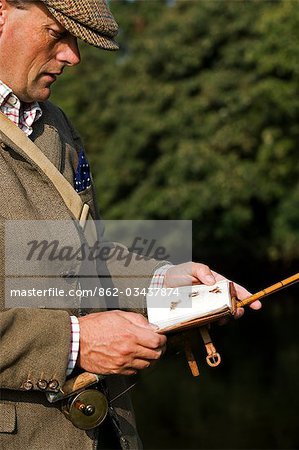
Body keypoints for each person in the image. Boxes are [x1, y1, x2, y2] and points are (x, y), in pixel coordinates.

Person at [0, 1, 262, 449]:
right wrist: (76, 344)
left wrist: (165, 283)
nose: (72, 56)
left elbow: (74, 256)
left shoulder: (53, 123)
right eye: (57, 32)